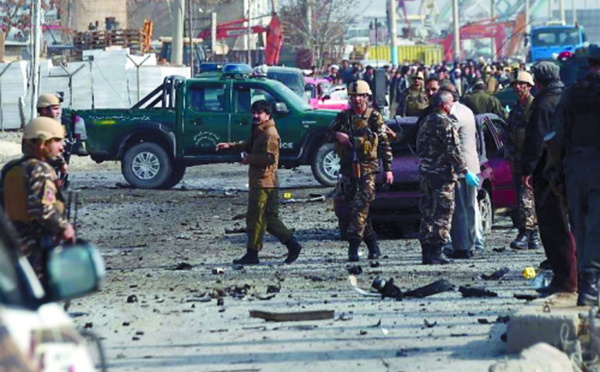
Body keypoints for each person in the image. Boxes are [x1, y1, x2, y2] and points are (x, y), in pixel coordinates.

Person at [216, 100, 302, 265]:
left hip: (265, 182)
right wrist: (231, 146)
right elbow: (250, 144)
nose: (255, 116)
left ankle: (254, 253)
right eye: (254, 112)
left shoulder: (270, 133)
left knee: (257, 218)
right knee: (267, 219)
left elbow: (270, 158)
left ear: (267, 115)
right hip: (260, 180)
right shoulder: (260, 130)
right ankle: (291, 245)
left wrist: (249, 159)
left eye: (259, 113)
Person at [549, 44, 600, 305]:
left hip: (573, 169)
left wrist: (554, 170)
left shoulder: (572, 93)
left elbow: (556, 136)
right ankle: (590, 286)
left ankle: (586, 282)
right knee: (596, 228)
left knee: (580, 226)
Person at [520, 61, 577, 295]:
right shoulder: (570, 98)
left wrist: (527, 170)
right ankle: (575, 276)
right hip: (572, 171)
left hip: (548, 173)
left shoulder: (544, 104)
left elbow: (536, 142)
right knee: (573, 225)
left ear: (538, 82)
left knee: (554, 226)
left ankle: (565, 280)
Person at [1, 117, 76, 282]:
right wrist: (64, 227)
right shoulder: (40, 169)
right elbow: (40, 208)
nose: (61, 146)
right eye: (56, 140)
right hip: (34, 249)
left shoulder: (11, 168)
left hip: (11, 247)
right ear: (41, 144)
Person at [327, 80, 394, 261]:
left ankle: (353, 248)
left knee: (360, 206)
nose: (357, 100)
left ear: (366, 97)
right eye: (354, 96)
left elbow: (384, 143)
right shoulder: (343, 117)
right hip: (349, 168)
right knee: (356, 209)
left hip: (367, 168)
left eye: (360, 96)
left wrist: (388, 168)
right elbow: (326, 132)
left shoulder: (374, 117)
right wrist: (336, 135)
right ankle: (372, 245)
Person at [417, 91, 479, 265]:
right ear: (445, 105)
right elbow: (453, 151)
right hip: (443, 175)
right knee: (443, 213)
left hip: (426, 173)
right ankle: (437, 252)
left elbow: (419, 148)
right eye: (451, 103)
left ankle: (426, 252)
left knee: (427, 212)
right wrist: (465, 171)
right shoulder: (446, 124)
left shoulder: (425, 122)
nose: (453, 106)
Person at [443, 84, 482, 259]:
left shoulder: (454, 115)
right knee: (471, 206)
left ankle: (464, 246)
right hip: (471, 165)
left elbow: (450, 142)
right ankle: (474, 242)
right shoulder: (467, 110)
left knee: (461, 209)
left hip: (461, 168)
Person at [505, 71, 539, 250]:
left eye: (522, 84)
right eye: (515, 85)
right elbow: (510, 135)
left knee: (527, 197)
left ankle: (526, 232)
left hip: (530, 159)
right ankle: (532, 235)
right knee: (522, 197)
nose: (518, 88)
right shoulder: (515, 108)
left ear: (529, 86)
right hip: (516, 159)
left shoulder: (534, 107)